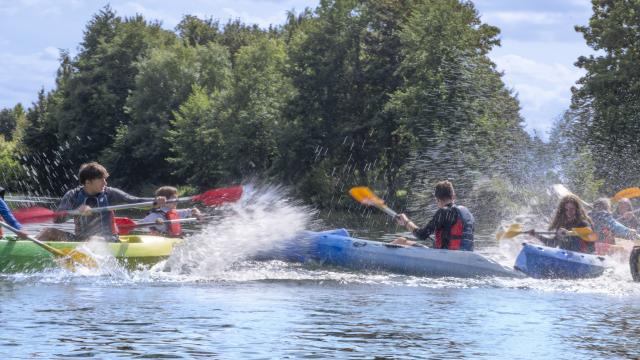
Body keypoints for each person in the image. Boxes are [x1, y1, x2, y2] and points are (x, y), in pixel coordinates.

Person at [37, 162, 165, 242]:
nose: (105, 183)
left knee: (94, 240)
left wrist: (155, 202)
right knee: (49, 231)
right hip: (80, 239)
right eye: (101, 180)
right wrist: (75, 212)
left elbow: (135, 201)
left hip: (108, 240)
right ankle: (25, 250)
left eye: (105, 179)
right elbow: (57, 219)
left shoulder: (110, 193)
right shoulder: (72, 195)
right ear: (88, 182)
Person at [392, 180, 474, 251]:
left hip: (446, 256)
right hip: (466, 256)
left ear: (437, 199)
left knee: (400, 241)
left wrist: (406, 222)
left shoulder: (443, 212)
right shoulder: (467, 213)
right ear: (453, 197)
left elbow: (421, 235)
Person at [528, 194, 596, 254]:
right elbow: (552, 244)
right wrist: (537, 235)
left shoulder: (583, 223)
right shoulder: (562, 226)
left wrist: (569, 233)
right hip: (566, 256)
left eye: (572, 209)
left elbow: (588, 231)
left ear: (577, 210)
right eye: (566, 209)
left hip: (583, 257)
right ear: (563, 211)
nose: (569, 212)